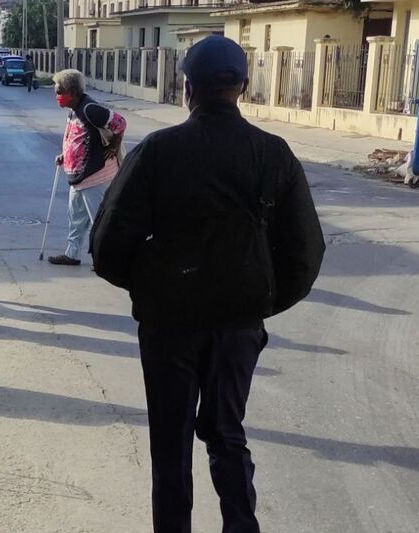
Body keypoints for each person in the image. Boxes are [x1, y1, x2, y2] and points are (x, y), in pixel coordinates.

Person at [91, 36, 325, 532]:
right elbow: (305, 253)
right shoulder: (273, 154)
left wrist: (153, 288)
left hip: (169, 325)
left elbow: (107, 243)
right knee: (226, 432)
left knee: (171, 442)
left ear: (187, 88)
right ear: (242, 85)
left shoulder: (159, 151)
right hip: (238, 324)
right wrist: (259, 299)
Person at [48, 69, 127, 267]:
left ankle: (107, 259)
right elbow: (76, 138)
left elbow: (120, 123)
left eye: (60, 91)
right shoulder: (74, 110)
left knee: (100, 221)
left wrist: (114, 145)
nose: (57, 95)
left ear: (73, 92)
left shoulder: (90, 109)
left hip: (96, 175)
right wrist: (65, 156)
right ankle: (72, 254)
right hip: (78, 176)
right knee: (75, 217)